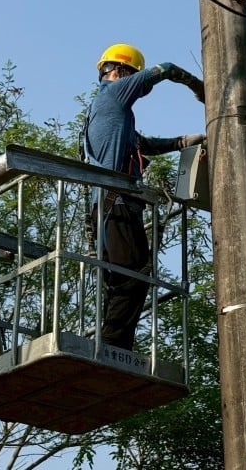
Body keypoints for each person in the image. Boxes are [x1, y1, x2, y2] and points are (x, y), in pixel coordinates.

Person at [83, 43, 205, 350]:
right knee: (133, 275)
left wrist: (182, 142)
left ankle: (112, 346)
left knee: (122, 280)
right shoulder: (115, 94)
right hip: (118, 202)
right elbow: (164, 68)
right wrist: (199, 87)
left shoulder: (107, 114)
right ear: (121, 71)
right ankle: (113, 347)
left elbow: (143, 145)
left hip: (106, 208)